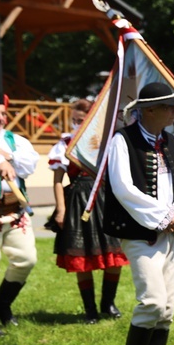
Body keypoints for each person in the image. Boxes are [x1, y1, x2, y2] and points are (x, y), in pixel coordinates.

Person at [104, 82, 174, 345]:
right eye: (170, 107)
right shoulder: (122, 141)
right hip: (139, 234)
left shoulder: (172, 142)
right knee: (153, 301)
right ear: (150, 110)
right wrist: (161, 216)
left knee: (167, 307)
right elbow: (123, 188)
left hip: (169, 234)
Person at [48, 99, 128, 324]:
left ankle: (108, 303)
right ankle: (90, 309)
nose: (76, 124)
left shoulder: (108, 141)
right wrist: (60, 210)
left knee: (115, 253)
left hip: (106, 198)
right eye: (74, 120)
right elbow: (57, 180)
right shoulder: (66, 143)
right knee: (81, 254)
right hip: (77, 201)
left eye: (81, 120)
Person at [0, 91, 39, 337]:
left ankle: (2, 304)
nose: (0, 118)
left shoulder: (15, 140)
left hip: (15, 211)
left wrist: (7, 155)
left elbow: (29, 164)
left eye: (2, 113)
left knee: (26, 259)